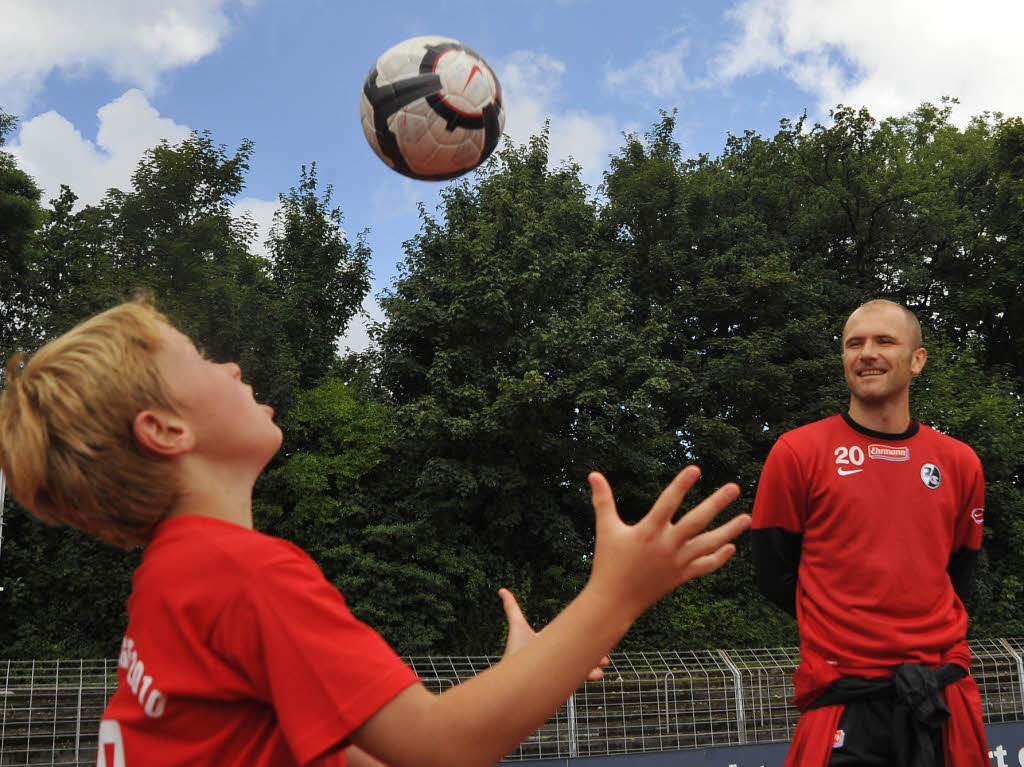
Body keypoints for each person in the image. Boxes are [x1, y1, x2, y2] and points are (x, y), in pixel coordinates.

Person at [0, 297, 751, 767]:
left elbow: (372, 752)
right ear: (164, 428)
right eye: (199, 359)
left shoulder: (174, 577)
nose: (230, 363)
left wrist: (529, 669)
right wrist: (618, 593)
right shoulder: (243, 574)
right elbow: (442, 748)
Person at [751, 299, 988, 766]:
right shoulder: (797, 452)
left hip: (939, 694)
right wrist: (845, 625)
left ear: (917, 359)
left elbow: (958, 572)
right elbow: (773, 573)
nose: (867, 353)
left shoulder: (959, 462)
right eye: (853, 344)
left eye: (884, 341)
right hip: (846, 697)